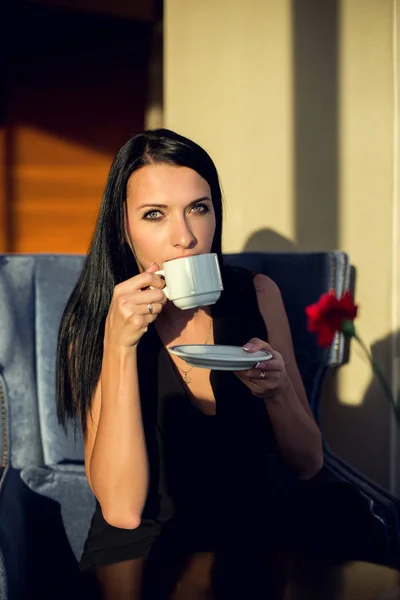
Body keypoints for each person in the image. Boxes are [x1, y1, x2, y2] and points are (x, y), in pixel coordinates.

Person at [56, 129, 323, 599]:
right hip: (142, 552)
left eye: (199, 208)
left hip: (254, 535)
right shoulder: (96, 320)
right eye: (154, 215)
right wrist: (118, 347)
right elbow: (122, 510)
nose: (185, 237)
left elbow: (308, 463)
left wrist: (278, 391)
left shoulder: (258, 295)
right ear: (123, 226)